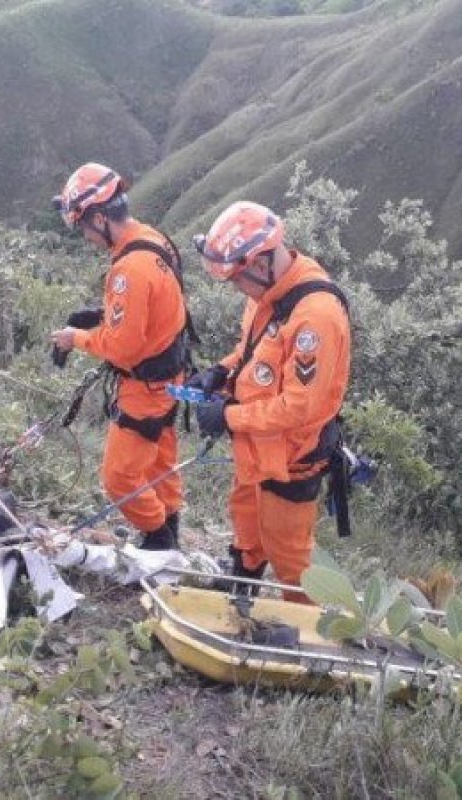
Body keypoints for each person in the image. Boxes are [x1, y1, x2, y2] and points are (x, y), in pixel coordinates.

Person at [188, 201, 351, 603]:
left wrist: (229, 416)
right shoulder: (267, 295)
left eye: (237, 279)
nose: (235, 287)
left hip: (292, 454)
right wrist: (220, 371)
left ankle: (311, 630)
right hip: (257, 445)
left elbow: (299, 407)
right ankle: (243, 581)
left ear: (260, 264)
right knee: (247, 519)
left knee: (290, 554)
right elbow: (254, 352)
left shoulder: (316, 316)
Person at [50, 163, 191, 550]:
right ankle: (170, 526)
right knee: (160, 458)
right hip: (171, 372)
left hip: (145, 382)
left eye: (83, 227)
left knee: (119, 478)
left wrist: (75, 337)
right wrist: (100, 317)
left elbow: (123, 347)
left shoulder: (130, 268)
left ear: (99, 218)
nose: (85, 236)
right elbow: (155, 309)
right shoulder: (153, 239)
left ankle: (158, 536)